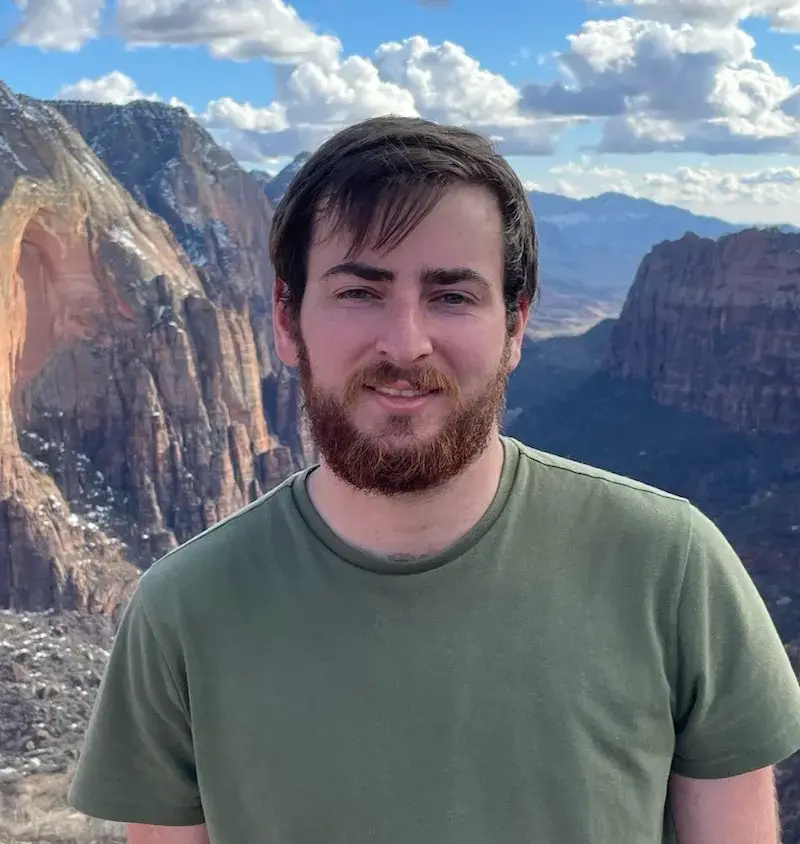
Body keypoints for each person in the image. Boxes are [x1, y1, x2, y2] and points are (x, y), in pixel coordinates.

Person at [68, 115, 800, 844]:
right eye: (361, 291)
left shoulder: (672, 569)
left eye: (452, 295)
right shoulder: (181, 612)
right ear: (287, 323)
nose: (406, 342)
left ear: (516, 327)